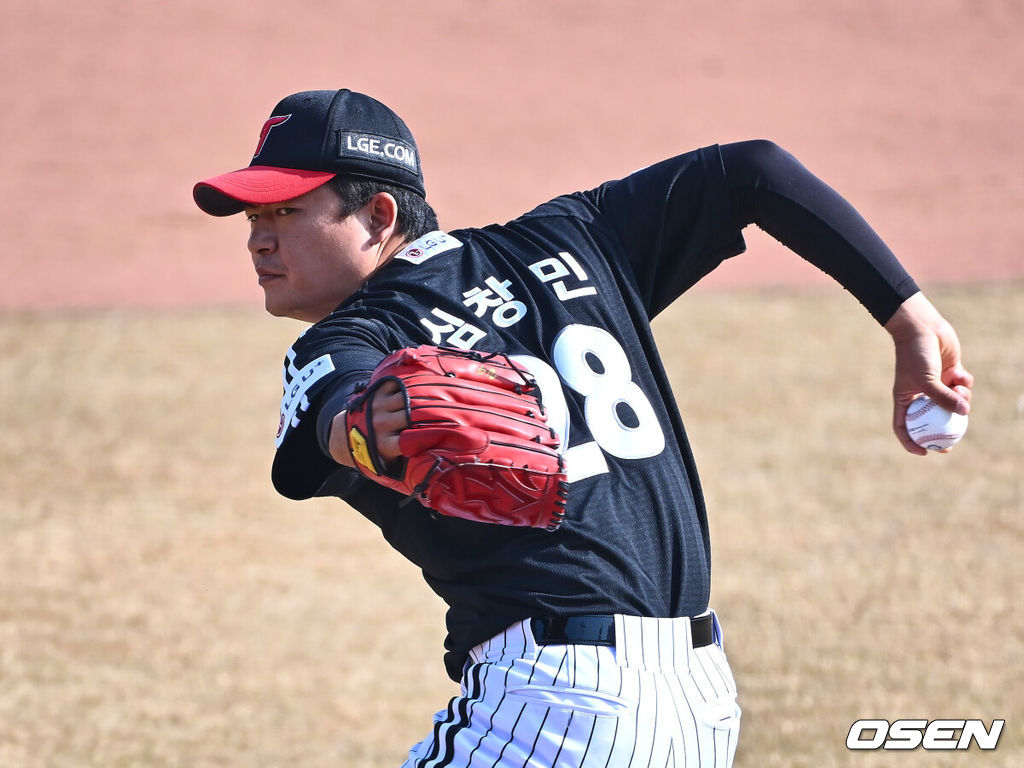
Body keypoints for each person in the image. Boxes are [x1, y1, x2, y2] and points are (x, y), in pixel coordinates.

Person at [193, 89, 973, 767]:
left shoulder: (352, 336)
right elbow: (753, 170)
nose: (259, 238)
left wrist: (365, 426)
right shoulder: (574, 238)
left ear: (379, 215)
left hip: (554, 712)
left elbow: (336, 414)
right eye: (254, 216)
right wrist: (909, 317)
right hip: (699, 711)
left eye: (286, 212)